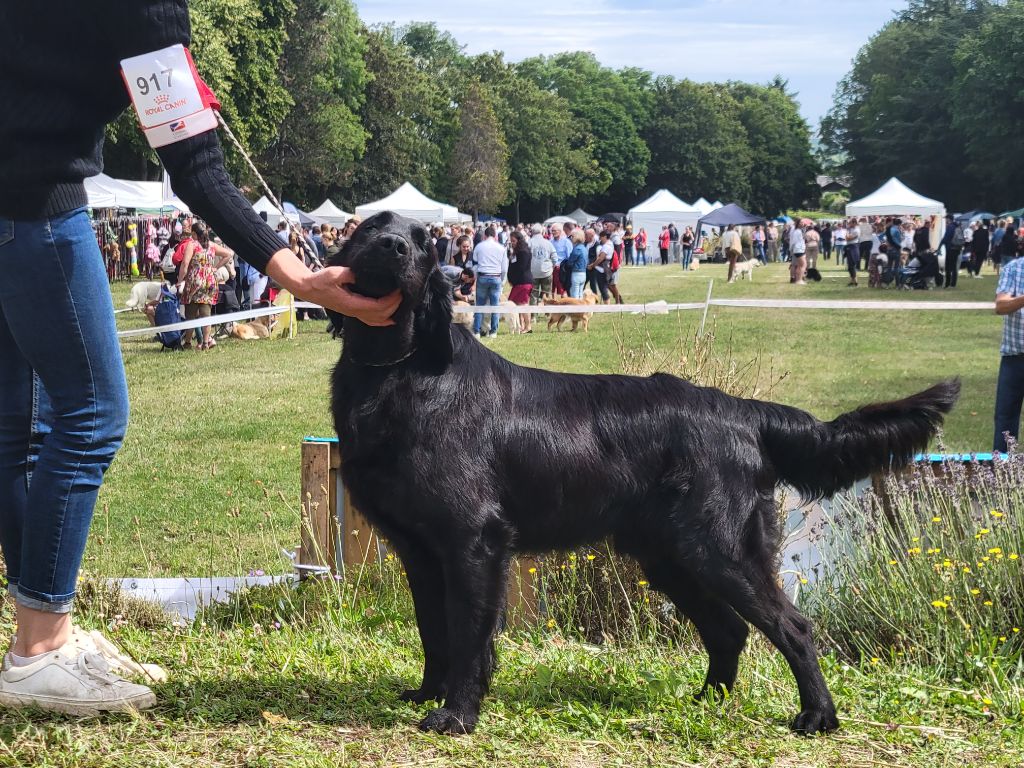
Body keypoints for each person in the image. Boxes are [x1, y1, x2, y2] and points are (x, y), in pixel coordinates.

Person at [0, 1, 400, 716]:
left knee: (18, 434)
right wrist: (297, 276)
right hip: (35, 213)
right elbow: (194, 164)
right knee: (92, 417)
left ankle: (44, 636)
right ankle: (37, 652)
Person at [994, 254, 1024, 452]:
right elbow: (1001, 306)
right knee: (1006, 417)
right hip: (1015, 357)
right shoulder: (1014, 268)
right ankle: (1002, 471)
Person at [471, 226, 508, 338]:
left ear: (484, 236)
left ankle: (477, 330)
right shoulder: (501, 248)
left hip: (482, 276)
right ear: (496, 236)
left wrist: (476, 277)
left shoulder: (479, 246)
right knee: (495, 306)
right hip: (496, 276)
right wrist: (502, 281)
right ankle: (493, 331)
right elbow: (504, 268)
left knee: (479, 305)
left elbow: (475, 264)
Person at [507, 230, 534, 333]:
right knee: (515, 304)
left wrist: (513, 279)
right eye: (511, 241)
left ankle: (528, 327)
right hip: (518, 283)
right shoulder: (517, 251)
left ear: (519, 240)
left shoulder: (523, 252)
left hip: (523, 282)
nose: (512, 243)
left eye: (513, 241)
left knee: (522, 304)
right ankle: (521, 326)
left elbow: (521, 268)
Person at [529, 224, 558, 304]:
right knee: (547, 294)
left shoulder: (529, 243)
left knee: (533, 294)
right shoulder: (548, 243)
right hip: (547, 272)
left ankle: (533, 315)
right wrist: (551, 266)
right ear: (542, 232)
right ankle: (547, 312)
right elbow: (555, 257)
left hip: (533, 272)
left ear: (532, 232)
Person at [938, 214, 964, 289]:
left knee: (948, 267)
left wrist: (940, 246)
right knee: (954, 267)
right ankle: (953, 284)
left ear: (949, 219)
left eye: (946, 219)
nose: (945, 220)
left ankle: (947, 284)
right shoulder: (957, 226)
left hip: (950, 249)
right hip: (957, 249)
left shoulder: (950, 227)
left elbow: (946, 238)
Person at [566, 230, 589, 298]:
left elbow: (570, 262)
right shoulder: (584, 248)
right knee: (580, 293)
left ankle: (575, 308)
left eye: (572, 236)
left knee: (574, 293)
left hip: (576, 273)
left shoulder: (577, 249)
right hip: (583, 272)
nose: (571, 238)